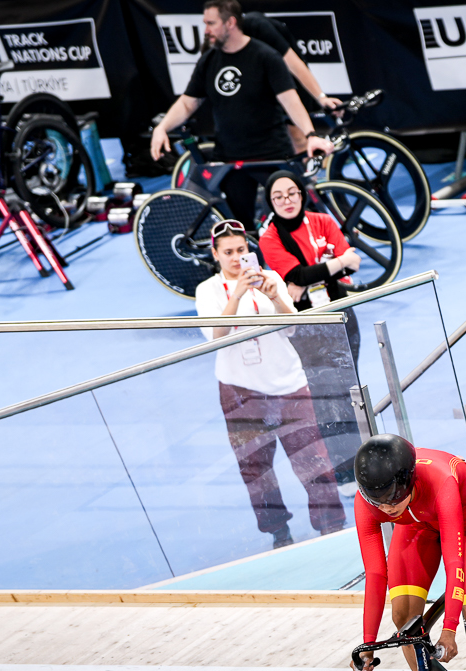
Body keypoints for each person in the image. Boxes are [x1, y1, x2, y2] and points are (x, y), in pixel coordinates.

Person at [196, 220, 346, 548]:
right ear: (215, 254)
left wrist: (276, 297)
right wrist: (236, 295)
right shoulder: (207, 291)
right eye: (229, 252)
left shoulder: (272, 278)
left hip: (288, 381)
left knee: (313, 458)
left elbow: (291, 327)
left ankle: (331, 527)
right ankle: (279, 532)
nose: (237, 258)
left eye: (241, 250)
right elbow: (215, 338)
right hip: (240, 389)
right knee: (255, 469)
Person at [348, 434, 466, 671]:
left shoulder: (442, 481)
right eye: (376, 501)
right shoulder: (367, 502)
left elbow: (455, 563)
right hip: (416, 521)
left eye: (391, 497)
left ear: (407, 481)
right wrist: (368, 642)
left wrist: (449, 629)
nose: (386, 508)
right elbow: (376, 574)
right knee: (404, 619)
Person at [150, 0, 330, 227]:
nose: (206, 30)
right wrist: (162, 127)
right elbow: (188, 103)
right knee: (240, 228)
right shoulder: (209, 61)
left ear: (231, 23)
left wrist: (311, 134)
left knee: (293, 223)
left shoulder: (266, 57)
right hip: (230, 159)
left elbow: (291, 101)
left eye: (211, 23)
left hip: (271, 156)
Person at [256, 169, 363, 487]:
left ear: (302, 194)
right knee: (325, 397)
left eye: (292, 193)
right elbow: (299, 278)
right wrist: (333, 265)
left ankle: (366, 461)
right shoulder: (269, 238)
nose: (286, 201)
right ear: (270, 202)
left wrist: (310, 274)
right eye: (278, 196)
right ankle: (345, 473)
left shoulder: (323, 221)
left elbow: (352, 261)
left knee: (350, 390)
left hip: (341, 313)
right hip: (306, 327)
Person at [238, 10, 341, 153]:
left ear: (230, 23)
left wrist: (321, 97)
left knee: (299, 138)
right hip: (264, 78)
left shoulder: (258, 27)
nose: (207, 30)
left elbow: (296, 66)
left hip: (289, 75)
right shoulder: (221, 42)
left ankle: (309, 173)